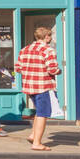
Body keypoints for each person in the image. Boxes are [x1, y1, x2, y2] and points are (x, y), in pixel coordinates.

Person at [15, 23, 60, 151]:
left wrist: (29, 72)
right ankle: (37, 143)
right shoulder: (48, 50)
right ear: (46, 36)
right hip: (43, 86)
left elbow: (18, 68)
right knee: (43, 113)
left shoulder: (25, 49)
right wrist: (59, 71)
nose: (50, 39)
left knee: (38, 111)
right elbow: (52, 69)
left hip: (29, 86)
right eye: (50, 36)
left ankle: (33, 135)